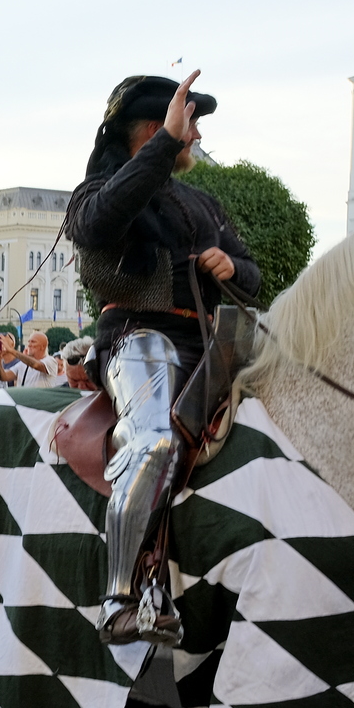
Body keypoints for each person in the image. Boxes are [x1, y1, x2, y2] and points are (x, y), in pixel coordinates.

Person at [63, 70, 260, 645]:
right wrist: (163, 148)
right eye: (188, 126)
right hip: (137, 336)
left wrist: (230, 266)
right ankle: (119, 597)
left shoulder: (202, 202)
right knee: (155, 440)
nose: (195, 138)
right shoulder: (94, 196)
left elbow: (252, 272)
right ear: (153, 130)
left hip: (214, 342)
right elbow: (103, 221)